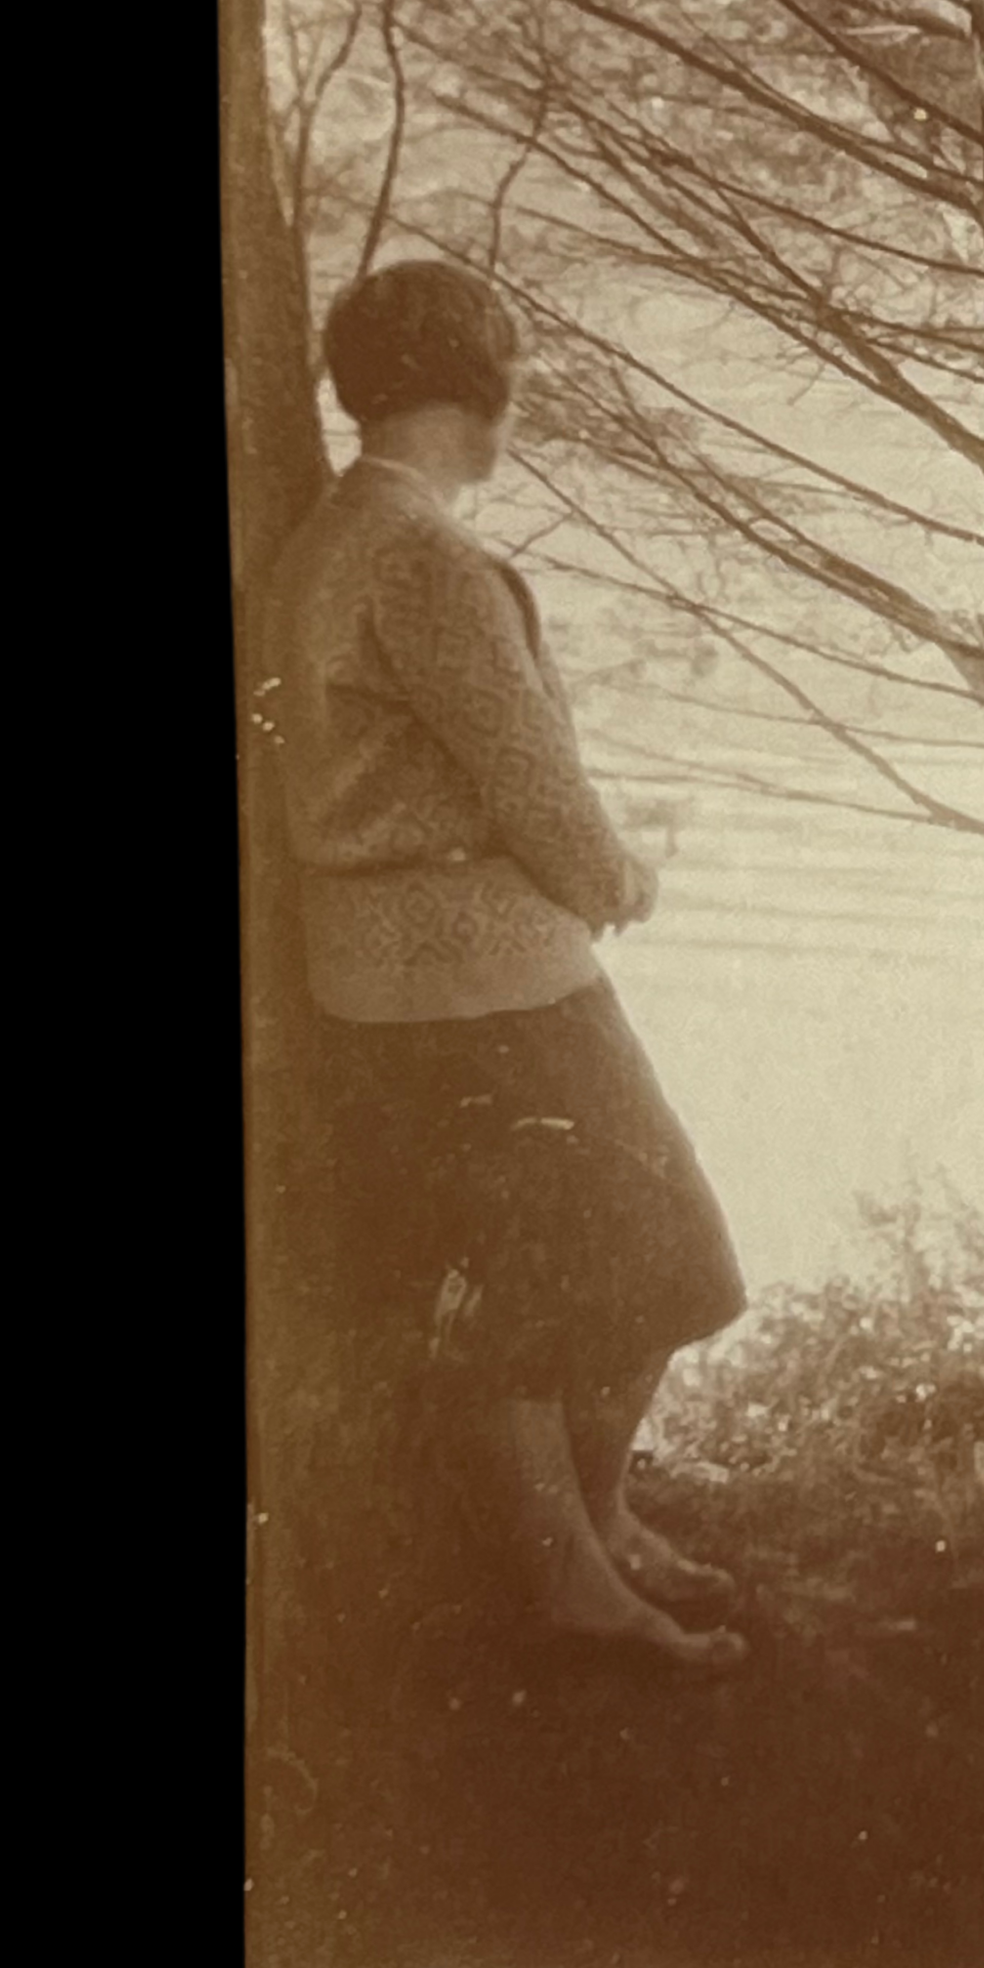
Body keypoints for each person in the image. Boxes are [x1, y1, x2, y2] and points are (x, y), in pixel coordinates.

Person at [265, 258, 748, 1668]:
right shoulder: (421, 556)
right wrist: (620, 877)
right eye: (512, 380)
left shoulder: (337, 537)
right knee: (666, 1254)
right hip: (484, 979)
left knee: (537, 1266)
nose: (516, 406)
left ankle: (593, 1542)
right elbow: (531, 782)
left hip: (395, 978)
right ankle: (577, 1576)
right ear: (478, 390)